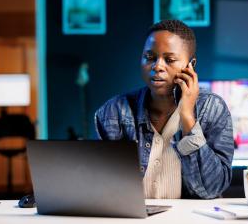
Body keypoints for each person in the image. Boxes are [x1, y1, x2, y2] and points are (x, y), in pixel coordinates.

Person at [94, 20, 234, 199]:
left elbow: (213, 188)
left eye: (169, 60)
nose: (157, 66)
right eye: (150, 57)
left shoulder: (213, 109)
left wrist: (187, 117)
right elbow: (103, 187)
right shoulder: (113, 112)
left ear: (191, 65)